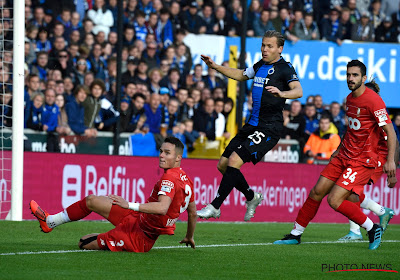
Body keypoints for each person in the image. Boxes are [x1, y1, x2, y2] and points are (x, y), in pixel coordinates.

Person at [274, 60, 397, 250]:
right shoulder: (349, 99)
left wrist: (390, 161)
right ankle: (295, 234)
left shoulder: (373, 101)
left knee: (335, 199)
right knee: (316, 192)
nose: (350, 78)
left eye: (355, 75)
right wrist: (338, 150)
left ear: (364, 78)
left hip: (361, 160)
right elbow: (351, 130)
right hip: (344, 155)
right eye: (348, 74)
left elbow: (390, 130)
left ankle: (372, 228)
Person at [197, 30, 303, 221]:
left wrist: (282, 93)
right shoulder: (261, 64)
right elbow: (241, 75)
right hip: (252, 125)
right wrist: (214, 66)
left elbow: (298, 90)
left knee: (234, 162)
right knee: (223, 165)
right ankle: (251, 197)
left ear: (280, 48)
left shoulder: (285, 68)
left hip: (269, 127)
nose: (264, 49)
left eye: (269, 46)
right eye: (263, 45)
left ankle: (215, 206)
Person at [30, 137, 196, 252]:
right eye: (161, 151)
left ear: (178, 158)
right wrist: (189, 236)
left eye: (167, 153)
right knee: (91, 200)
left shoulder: (169, 178)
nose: (161, 155)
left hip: (139, 238)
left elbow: (161, 208)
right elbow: (193, 212)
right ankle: (50, 222)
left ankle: (111, 235)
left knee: (83, 242)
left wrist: (128, 204)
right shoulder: (186, 180)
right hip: (137, 218)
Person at [338, 79, 397, 241]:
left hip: (376, 160)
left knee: (349, 191)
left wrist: (391, 167)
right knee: (347, 192)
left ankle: (355, 231)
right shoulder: (360, 111)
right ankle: (381, 211)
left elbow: (394, 140)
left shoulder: (378, 113)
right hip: (361, 158)